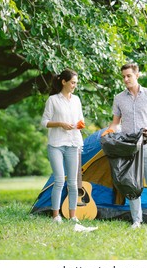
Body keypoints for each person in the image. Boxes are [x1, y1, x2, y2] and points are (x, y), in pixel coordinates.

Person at [102, 63, 147, 229]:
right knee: (132, 184)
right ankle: (137, 221)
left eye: (128, 76)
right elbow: (116, 123)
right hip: (128, 148)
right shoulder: (119, 98)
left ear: (137, 75)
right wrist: (109, 131)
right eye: (123, 76)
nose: (125, 79)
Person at [41, 68, 85, 223]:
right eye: (72, 82)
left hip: (73, 143)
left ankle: (73, 216)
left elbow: (81, 119)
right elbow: (44, 122)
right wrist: (59, 124)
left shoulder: (77, 100)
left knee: (73, 182)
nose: (74, 85)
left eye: (76, 83)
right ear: (63, 82)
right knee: (59, 179)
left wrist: (79, 125)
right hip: (56, 145)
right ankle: (55, 216)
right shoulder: (53, 100)